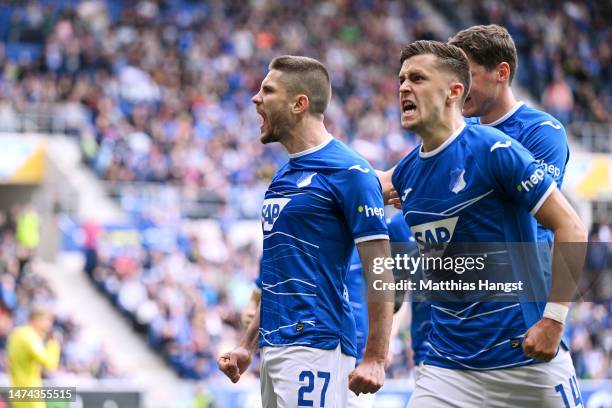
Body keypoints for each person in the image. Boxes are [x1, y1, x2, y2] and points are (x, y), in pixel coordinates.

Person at [390, 40, 587, 407]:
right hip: (447, 368)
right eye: (401, 78)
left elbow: (572, 227)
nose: (403, 87)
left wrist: (554, 320)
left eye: (417, 77)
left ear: (454, 91)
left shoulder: (497, 150)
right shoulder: (406, 173)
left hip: (525, 358)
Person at [217, 55, 394, 407]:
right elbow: (279, 273)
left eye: (267, 90)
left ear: (299, 104)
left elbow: (380, 267)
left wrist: (376, 356)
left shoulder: (349, 171)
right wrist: (247, 345)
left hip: (317, 345)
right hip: (276, 347)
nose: (255, 98)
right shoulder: (283, 177)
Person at [6, 307, 61, 408]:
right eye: (47, 321)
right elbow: (49, 363)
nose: (49, 326)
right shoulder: (29, 336)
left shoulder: (16, 333)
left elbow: (8, 361)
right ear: (37, 319)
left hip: (17, 388)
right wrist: (54, 344)